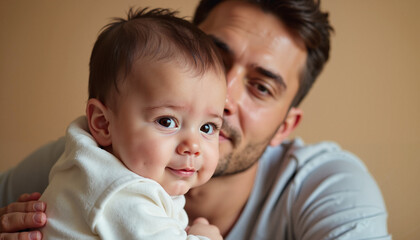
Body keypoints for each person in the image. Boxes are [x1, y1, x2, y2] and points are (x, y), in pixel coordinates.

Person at [0, 0, 391, 239]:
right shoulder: (90, 157)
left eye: (260, 87)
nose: (224, 99)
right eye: (216, 61)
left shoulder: (323, 186)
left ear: (285, 127)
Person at [28, 7, 226, 240]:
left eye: (207, 128)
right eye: (167, 121)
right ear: (103, 123)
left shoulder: (91, 168)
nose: (193, 145)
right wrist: (206, 236)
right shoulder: (120, 192)